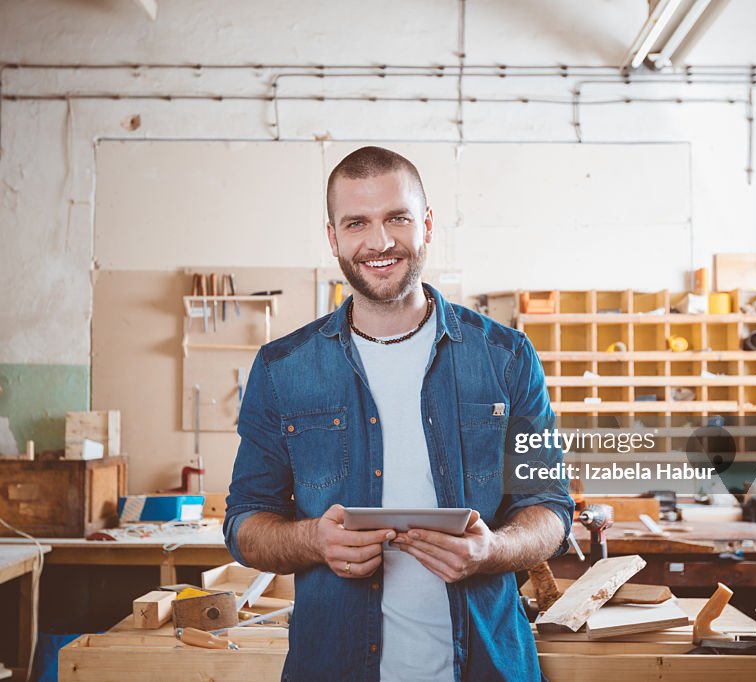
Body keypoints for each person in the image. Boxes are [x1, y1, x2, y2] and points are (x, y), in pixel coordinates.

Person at [224, 146, 573, 681]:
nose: (380, 242)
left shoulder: (505, 358)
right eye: (357, 222)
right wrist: (313, 539)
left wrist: (494, 550)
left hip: (484, 667)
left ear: (427, 224)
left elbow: (548, 505)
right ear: (333, 236)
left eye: (397, 218)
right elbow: (246, 521)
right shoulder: (281, 370)